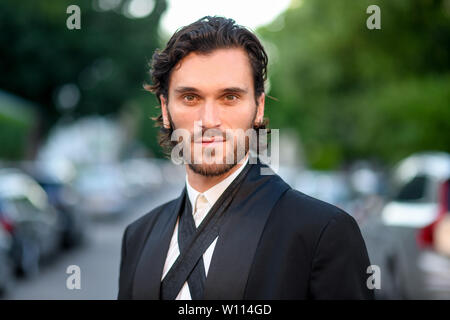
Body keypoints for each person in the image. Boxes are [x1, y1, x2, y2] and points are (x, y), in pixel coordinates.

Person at [117, 16, 374, 300]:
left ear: (259, 107)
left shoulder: (322, 233)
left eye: (230, 97)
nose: (209, 120)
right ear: (166, 109)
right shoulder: (138, 237)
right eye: (190, 98)